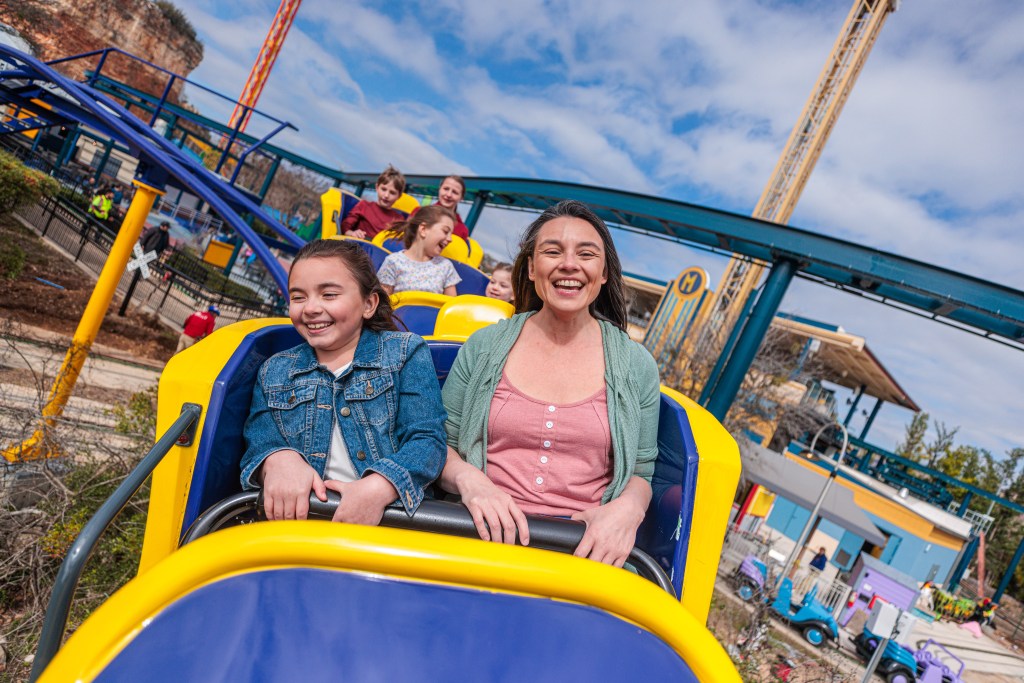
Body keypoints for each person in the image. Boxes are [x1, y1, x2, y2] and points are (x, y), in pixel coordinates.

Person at [438, 200, 661, 567]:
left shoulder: (636, 366)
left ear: (604, 273)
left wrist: (630, 510)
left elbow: (641, 471)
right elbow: (441, 444)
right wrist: (471, 482)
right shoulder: (484, 347)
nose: (569, 264)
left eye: (586, 254)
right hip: (477, 535)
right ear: (530, 268)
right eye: (553, 251)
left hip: (581, 552)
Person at [239, 239, 446, 523]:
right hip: (303, 521)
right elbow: (260, 438)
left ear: (368, 304)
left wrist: (379, 487)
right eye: (298, 297)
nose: (310, 308)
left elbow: (427, 440)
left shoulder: (404, 353)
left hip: (389, 521)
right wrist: (278, 460)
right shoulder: (274, 370)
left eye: (329, 295)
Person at [376, 205, 461, 296]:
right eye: (445, 231)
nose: (450, 239)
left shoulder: (446, 266)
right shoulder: (393, 262)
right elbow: (383, 302)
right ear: (423, 229)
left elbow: (451, 303)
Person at [340, 165, 406, 240]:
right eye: (383, 189)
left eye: (392, 193)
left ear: (399, 196)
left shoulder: (399, 219)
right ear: (377, 187)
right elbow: (345, 226)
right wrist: (352, 233)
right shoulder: (364, 205)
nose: (386, 195)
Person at [410, 175, 470, 241]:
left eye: (455, 192)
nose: (449, 195)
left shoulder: (462, 230)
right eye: (446, 189)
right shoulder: (419, 212)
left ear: (461, 198)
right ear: (439, 189)